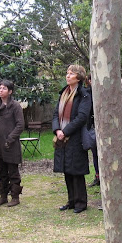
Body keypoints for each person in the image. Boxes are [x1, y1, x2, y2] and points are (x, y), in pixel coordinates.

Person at [53, 64, 92, 213]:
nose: (68, 76)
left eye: (71, 73)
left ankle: (81, 203)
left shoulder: (84, 94)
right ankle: (71, 201)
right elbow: (55, 114)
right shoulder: (63, 93)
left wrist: (66, 131)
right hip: (62, 137)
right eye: (67, 73)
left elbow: (82, 117)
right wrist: (57, 130)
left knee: (77, 170)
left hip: (75, 137)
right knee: (66, 169)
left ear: (79, 77)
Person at [0, 80, 25, 207]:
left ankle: (15, 197)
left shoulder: (15, 106)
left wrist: (10, 138)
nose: (1, 90)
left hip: (11, 145)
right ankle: (3, 196)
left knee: (13, 172)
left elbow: (20, 125)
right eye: (0, 88)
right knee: (1, 171)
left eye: (4, 88)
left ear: (10, 91)